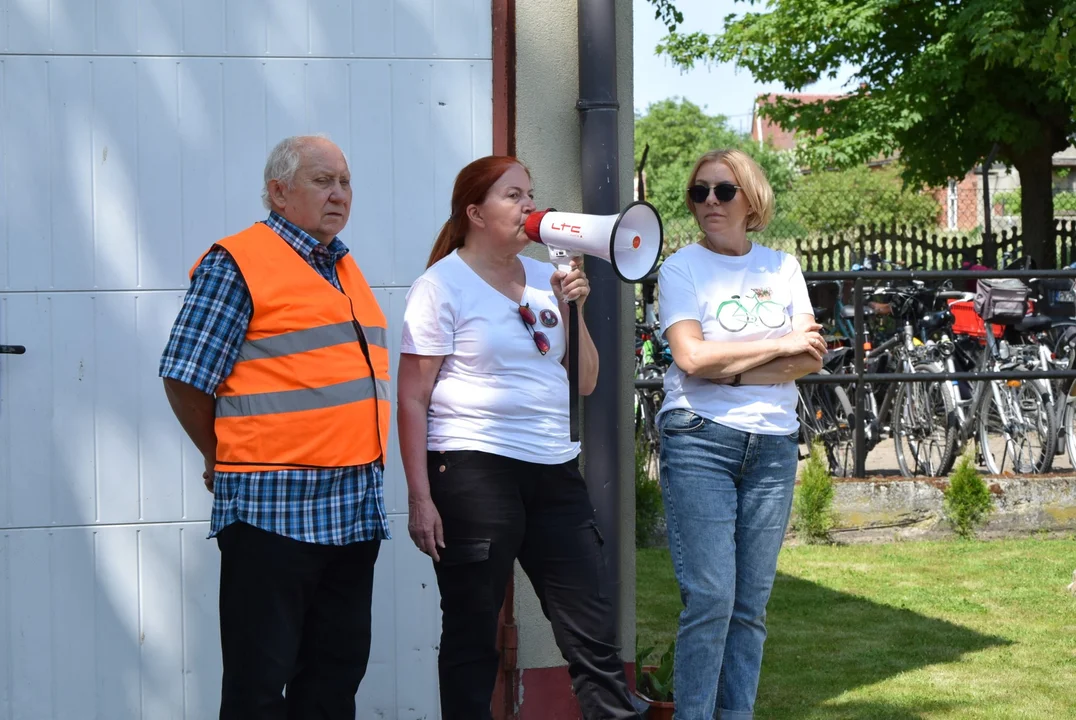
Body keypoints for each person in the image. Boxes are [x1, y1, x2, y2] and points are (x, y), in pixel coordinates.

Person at [396, 156, 642, 720]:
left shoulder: (543, 278)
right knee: (471, 631)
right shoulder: (441, 285)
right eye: (513, 196)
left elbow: (585, 379)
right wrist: (420, 496)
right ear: (475, 212)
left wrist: (570, 306)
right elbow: (412, 397)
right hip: (472, 470)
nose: (529, 206)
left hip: (554, 469)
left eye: (530, 194)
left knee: (590, 631)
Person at [159, 135, 390, 720]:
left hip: (349, 511)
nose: (339, 194)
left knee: (333, 684)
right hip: (271, 510)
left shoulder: (342, 265)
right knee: (258, 688)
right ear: (278, 191)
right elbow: (185, 376)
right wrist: (220, 456)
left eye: (345, 181)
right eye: (323, 181)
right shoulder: (236, 262)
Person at [656, 149, 825, 720]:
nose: (708, 202)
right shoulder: (680, 269)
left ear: (750, 199)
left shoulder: (783, 267)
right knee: (710, 600)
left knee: (750, 605)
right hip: (699, 438)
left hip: (773, 442)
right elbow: (690, 355)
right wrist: (776, 345)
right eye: (698, 192)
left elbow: (811, 359)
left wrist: (728, 368)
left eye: (723, 191)